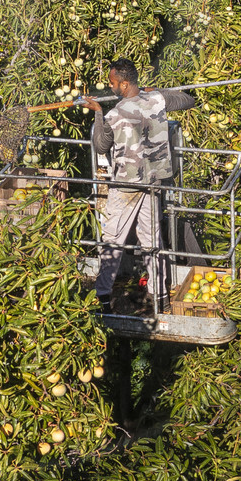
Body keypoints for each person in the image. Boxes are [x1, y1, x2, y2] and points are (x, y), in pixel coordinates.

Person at [79, 59, 197, 313]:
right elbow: (188, 100)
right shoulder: (157, 100)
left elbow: (100, 146)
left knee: (113, 241)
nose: (110, 86)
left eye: (112, 82)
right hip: (154, 182)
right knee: (151, 239)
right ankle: (160, 295)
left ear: (124, 83)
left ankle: (103, 298)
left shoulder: (113, 114)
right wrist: (157, 92)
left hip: (126, 186)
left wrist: (98, 112)